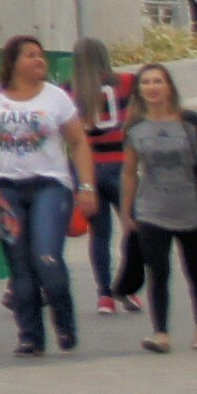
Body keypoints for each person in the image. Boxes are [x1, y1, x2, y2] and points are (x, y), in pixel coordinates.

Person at [0, 34, 86, 359]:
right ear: (14, 62)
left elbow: (78, 142)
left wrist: (86, 187)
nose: (39, 61)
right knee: (19, 264)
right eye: (30, 55)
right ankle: (30, 335)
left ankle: (64, 322)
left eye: (41, 55)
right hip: (6, 189)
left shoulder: (56, 97)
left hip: (50, 185)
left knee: (46, 258)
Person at [117, 62, 197, 352]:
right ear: (139, 91)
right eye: (146, 83)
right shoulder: (135, 128)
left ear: (169, 87)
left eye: (158, 82)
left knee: (195, 270)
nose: (152, 88)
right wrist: (126, 211)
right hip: (151, 208)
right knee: (158, 270)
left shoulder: (189, 121)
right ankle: (161, 333)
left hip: (191, 207)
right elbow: (129, 172)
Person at [75, 37, 131, 317]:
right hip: (121, 165)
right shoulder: (125, 83)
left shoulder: (70, 91)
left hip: (89, 170)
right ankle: (128, 285)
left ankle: (104, 295)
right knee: (131, 227)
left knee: (100, 234)